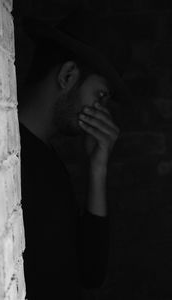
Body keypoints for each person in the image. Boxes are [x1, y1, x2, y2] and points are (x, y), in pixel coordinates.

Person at [17, 12, 130, 300]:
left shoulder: (48, 159)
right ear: (68, 76)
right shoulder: (7, 160)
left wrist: (97, 168)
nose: (101, 110)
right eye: (100, 96)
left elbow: (90, 273)